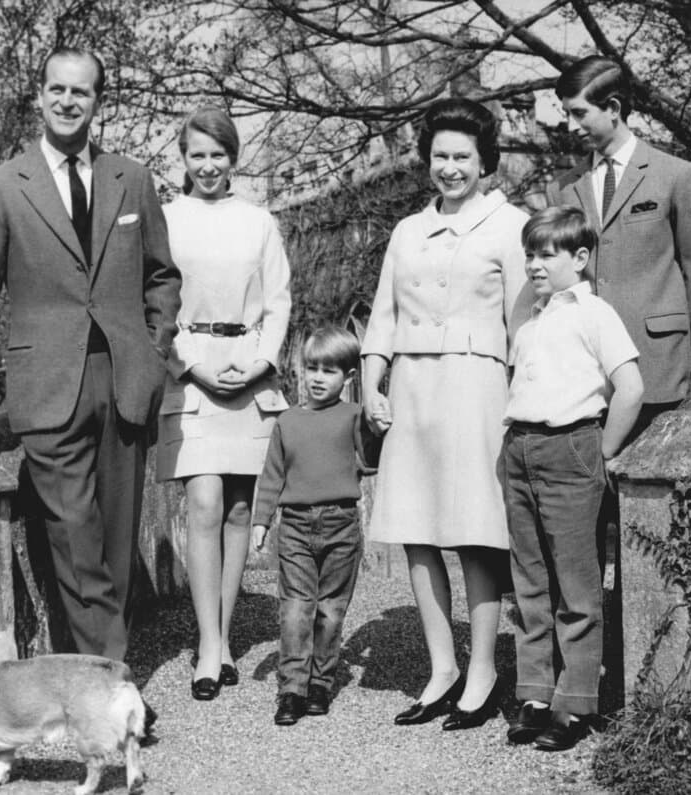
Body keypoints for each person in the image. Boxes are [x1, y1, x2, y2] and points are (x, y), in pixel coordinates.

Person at [0, 48, 181, 661]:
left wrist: (153, 352)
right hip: (46, 386)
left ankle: (96, 668)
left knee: (119, 545)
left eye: (83, 92)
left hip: (123, 381)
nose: (69, 102)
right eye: (58, 90)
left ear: (99, 101)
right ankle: (109, 683)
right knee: (75, 537)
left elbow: (161, 277)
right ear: (39, 96)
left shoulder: (134, 178)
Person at [361, 97, 533, 731]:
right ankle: (442, 669)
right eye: (441, 156)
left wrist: (525, 400)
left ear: (484, 160)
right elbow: (383, 314)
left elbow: (525, 324)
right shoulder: (407, 230)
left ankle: (483, 670)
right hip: (412, 388)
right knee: (416, 525)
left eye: (463, 156)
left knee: (473, 530)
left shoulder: (510, 225)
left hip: (476, 387)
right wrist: (371, 382)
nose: (451, 168)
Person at [156, 106, 291, 701]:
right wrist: (196, 365)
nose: (208, 166)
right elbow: (154, 305)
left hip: (250, 371)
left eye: (218, 155)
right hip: (191, 373)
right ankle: (206, 644)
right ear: (182, 160)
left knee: (240, 508)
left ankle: (224, 637)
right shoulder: (164, 220)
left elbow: (280, 300)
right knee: (204, 500)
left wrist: (260, 362)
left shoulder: (260, 222)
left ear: (234, 158)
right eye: (197, 155)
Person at [502, 206, 644, 751]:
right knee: (530, 581)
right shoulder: (533, 318)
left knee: (577, 584)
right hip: (520, 449)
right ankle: (534, 693)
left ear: (581, 259)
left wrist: (603, 453)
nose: (534, 265)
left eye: (546, 255)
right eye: (529, 254)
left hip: (572, 447)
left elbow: (629, 388)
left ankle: (576, 701)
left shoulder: (594, 313)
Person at [549, 55, 691, 425]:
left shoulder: (677, 176)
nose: (570, 125)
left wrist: (669, 334)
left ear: (613, 108)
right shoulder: (562, 189)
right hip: (584, 374)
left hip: (655, 368)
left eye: (579, 113)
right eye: (566, 114)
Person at [250, 327, 383, 726]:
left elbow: (372, 459)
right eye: (312, 368)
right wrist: (261, 520)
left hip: (342, 524)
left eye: (329, 370)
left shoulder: (354, 417)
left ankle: (320, 683)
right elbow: (272, 475)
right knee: (294, 610)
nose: (318, 377)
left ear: (349, 377)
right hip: (294, 526)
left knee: (330, 610)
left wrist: (378, 426)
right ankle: (292, 688)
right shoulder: (288, 421)